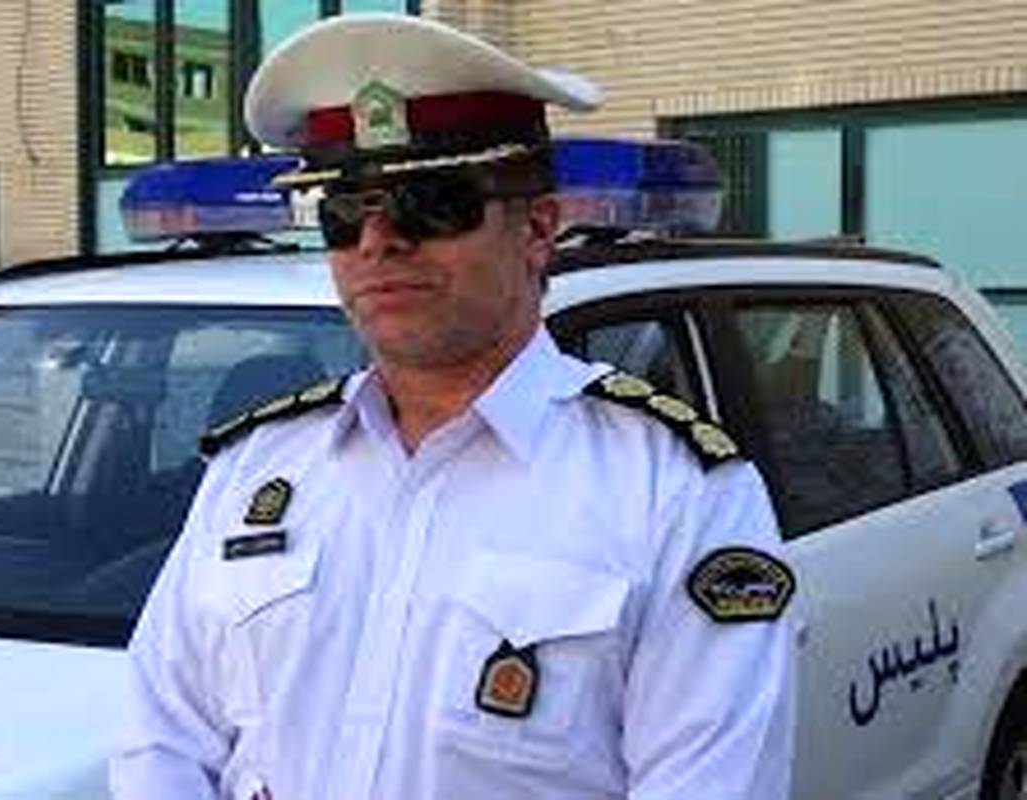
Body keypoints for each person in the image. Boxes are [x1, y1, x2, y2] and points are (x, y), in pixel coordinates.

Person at [110, 13, 795, 800]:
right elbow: (161, 735)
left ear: (537, 228)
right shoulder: (255, 470)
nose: (377, 242)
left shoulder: (673, 492)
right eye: (343, 212)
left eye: (429, 203)